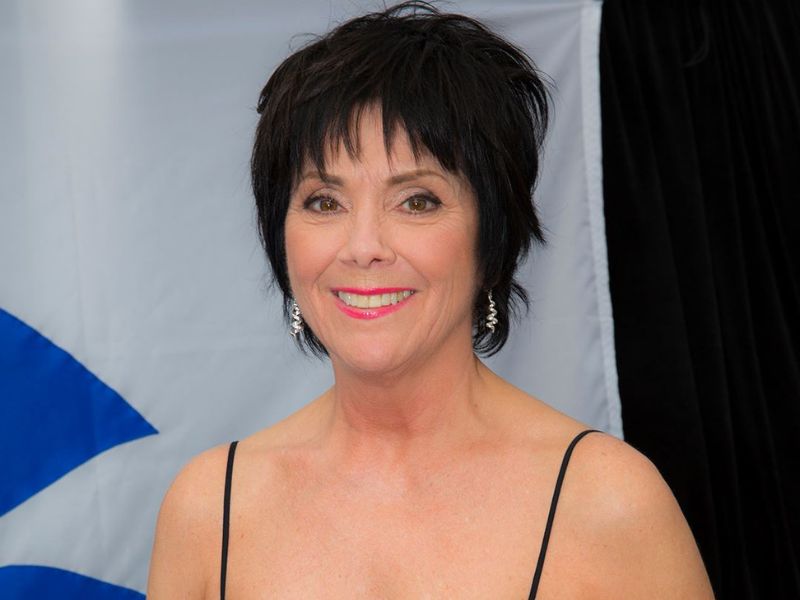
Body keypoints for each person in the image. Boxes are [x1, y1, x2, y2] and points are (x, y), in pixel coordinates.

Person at [147, 2, 715, 598]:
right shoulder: (208, 508)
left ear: (492, 238)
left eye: (417, 201)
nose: (363, 247)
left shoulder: (609, 502)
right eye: (324, 201)